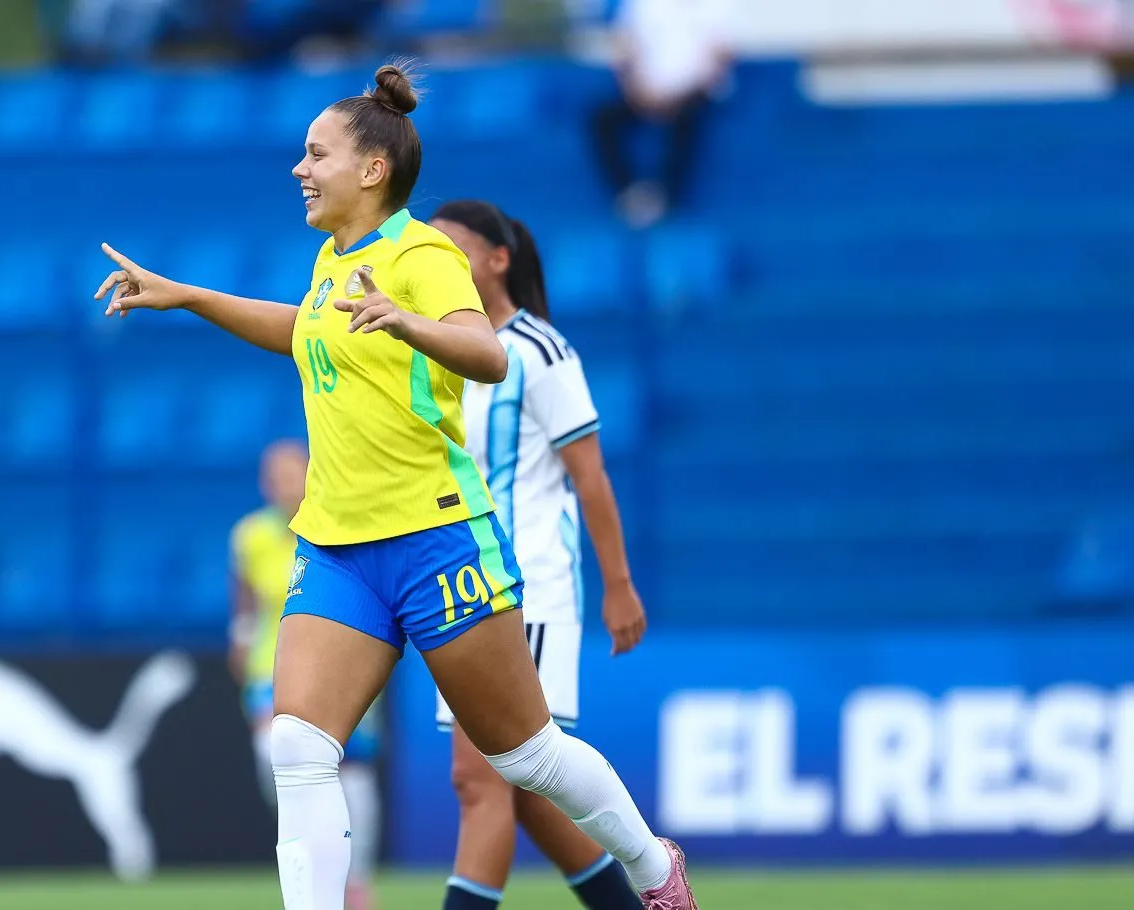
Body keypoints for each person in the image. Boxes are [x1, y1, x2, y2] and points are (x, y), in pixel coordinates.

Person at [93, 61, 698, 910]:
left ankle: (649, 867)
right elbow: (302, 330)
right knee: (299, 746)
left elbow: (487, 353)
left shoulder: (421, 254)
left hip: (436, 536)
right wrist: (189, 295)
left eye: (316, 154)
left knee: (526, 757)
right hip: (338, 545)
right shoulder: (330, 261)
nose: (299, 169)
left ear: (372, 169)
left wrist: (408, 320)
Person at [425, 200, 651, 910]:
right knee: (525, 792)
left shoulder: (538, 352)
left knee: (480, 780)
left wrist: (618, 584)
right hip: (463, 585)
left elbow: (590, 476)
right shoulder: (439, 347)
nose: (435, 262)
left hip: (525, 586)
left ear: (498, 260)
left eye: (450, 248)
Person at [230, 439, 381, 910]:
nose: (282, 486)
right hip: (270, 670)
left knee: (353, 775)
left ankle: (355, 880)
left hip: (337, 665)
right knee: (275, 759)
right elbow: (246, 603)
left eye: (290, 474)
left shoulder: (338, 524)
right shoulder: (250, 536)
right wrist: (239, 638)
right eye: (273, 477)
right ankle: (310, 861)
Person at [589, 0, 731, 229]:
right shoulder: (645, 5)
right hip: (644, 94)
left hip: (695, 95)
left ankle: (666, 197)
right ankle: (630, 193)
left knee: (688, 123)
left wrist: (676, 98)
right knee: (601, 119)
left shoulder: (718, 6)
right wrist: (638, 93)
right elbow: (626, 49)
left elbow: (718, 61)